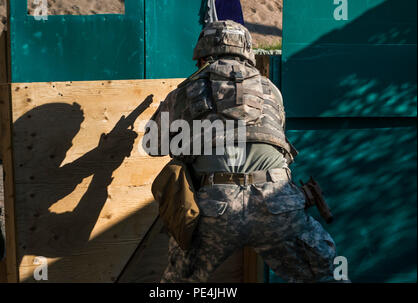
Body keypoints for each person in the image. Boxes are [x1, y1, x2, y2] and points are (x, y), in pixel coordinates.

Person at [145, 20, 339, 283]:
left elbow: (152, 145)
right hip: (277, 201)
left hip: (216, 205)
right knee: (322, 276)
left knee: (176, 286)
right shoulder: (271, 89)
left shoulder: (187, 90)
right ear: (247, 52)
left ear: (203, 56)